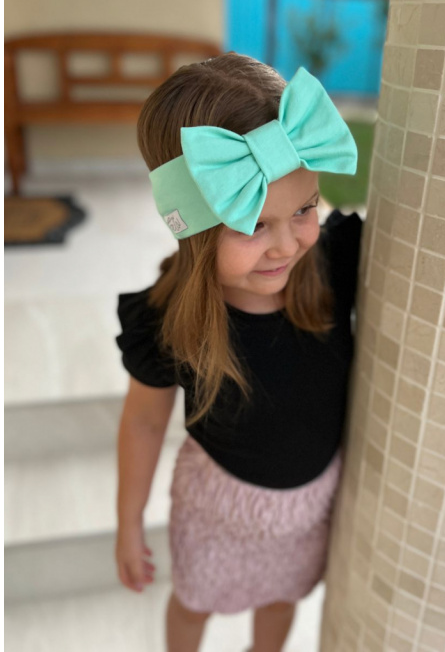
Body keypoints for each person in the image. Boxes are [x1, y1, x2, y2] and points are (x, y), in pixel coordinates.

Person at [114, 51, 363, 652]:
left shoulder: (335, 264)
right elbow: (144, 422)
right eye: (254, 225)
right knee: (195, 603)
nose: (288, 245)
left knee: (281, 598)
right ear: (196, 233)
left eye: (304, 209)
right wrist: (128, 522)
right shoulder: (167, 322)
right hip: (216, 511)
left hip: (308, 509)